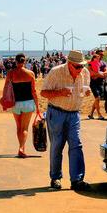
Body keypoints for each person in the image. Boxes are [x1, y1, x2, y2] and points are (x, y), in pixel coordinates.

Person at [40, 50, 92, 191]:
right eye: (77, 67)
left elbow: (86, 90)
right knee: (57, 146)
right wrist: (60, 92)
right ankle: (55, 178)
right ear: (69, 64)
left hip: (74, 113)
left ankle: (77, 180)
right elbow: (43, 92)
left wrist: (87, 92)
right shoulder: (56, 72)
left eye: (82, 66)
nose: (80, 69)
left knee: (76, 144)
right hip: (56, 112)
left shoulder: (85, 73)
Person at [4, 53, 40, 158]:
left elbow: (6, 88)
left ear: (15, 61)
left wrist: (4, 101)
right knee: (25, 128)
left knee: (19, 127)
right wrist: (37, 107)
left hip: (16, 103)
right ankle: (21, 148)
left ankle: (21, 148)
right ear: (24, 62)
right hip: (28, 103)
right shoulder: (31, 74)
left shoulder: (11, 73)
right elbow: (34, 91)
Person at [87, 53, 106, 120]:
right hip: (93, 83)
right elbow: (90, 73)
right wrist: (100, 74)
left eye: (101, 55)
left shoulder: (103, 63)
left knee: (97, 98)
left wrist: (96, 75)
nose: (101, 56)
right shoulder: (90, 63)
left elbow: (106, 73)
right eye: (99, 55)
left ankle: (91, 114)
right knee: (97, 97)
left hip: (100, 83)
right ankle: (99, 114)